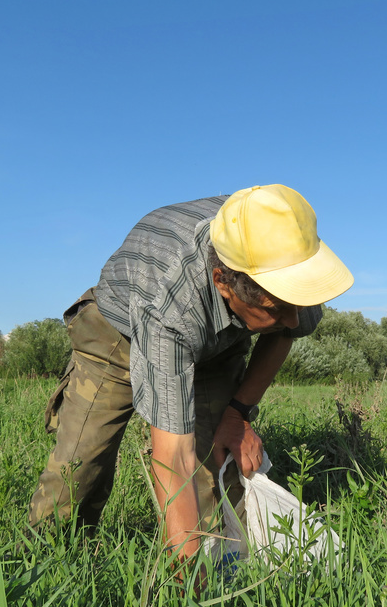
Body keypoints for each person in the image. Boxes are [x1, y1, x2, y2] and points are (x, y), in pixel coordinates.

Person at [28, 184, 353, 562]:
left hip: (217, 343)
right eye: (277, 308)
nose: (294, 319)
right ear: (223, 282)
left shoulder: (285, 263)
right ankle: (42, 568)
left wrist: (238, 413)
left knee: (218, 469)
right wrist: (190, 596)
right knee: (79, 465)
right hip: (116, 337)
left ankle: (233, 569)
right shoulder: (170, 305)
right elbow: (173, 460)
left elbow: (285, 333)